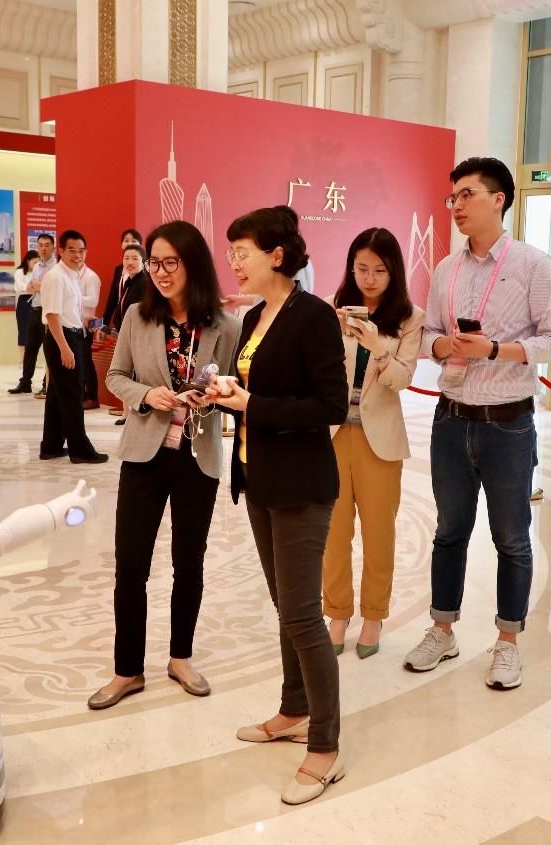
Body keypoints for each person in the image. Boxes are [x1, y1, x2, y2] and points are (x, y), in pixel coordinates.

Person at [405, 157, 551, 690]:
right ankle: (442, 630)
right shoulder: (445, 270)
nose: (456, 206)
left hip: (508, 424)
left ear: (499, 199)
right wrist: (443, 345)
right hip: (451, 418)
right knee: (449, 532)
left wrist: (495, 348)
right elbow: (428, 333)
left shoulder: (532, 265)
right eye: (452, 197)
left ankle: (507, 642)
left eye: (466, 195)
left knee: (511, 537)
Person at [216, 206, 348, 806]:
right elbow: (258, 392)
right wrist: (228, 394)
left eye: (241, 252)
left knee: (301, 614)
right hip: (260, 478)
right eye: (231, 253)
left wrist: (252, 405)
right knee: (285, 608)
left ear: (276, 255)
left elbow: (330, 406)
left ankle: (326, 744)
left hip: (301, 484)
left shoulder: (312, 315)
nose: (234, 262)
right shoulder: (255, 316)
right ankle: (294, 710)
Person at [89, 221, 239, 711]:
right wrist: (145, 394)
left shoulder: (225, 326)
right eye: (154, 262)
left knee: (188, 564)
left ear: (193, 264)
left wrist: (214, 396)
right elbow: (115, 375)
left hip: (197, 456)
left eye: (170, 262)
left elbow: (234, 387)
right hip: (144, 454)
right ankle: (127, 670)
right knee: (130, 566)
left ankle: (180, 658)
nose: (160, 271)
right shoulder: (138, 315)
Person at [322, 228, 424, 659]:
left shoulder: (410, 317)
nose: (369, 278)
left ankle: (374, 615)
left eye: (379, 270)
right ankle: (337, 613)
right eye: (361, 269)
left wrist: (377, 345)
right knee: (333, 532)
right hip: (332, 434)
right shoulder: (332, 309)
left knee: (379, 533)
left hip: (379, 438)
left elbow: (402, 379)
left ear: (393, 272)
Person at [38, 230, 107, 464]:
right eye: (72, 250)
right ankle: (80, 450)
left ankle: (51, 446)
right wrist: (65, 348)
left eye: (81, 250)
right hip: (63, 338)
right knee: (72, 395)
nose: (78, 255)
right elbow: (52, 315)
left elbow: (71, 310)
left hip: (72, 335)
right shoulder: (56, 277)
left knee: (57, 395)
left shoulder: (72, 276)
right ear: (61, 251)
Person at [101, 243, 149, 423]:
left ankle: (133, 413)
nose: (130, 262)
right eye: (126, 258)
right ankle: (127, 413)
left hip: (138, 336)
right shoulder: (129, 281)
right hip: (125, 333)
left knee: (133, 374)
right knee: (125, 372)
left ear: (143, 262)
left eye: (135, 258)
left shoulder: (144, 282)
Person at [9, 233, 57, 394]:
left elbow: (54, 289)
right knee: (30, 349)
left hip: (48, 312)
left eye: (47, 245)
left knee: (49, 350)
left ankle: (46, 384)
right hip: (34, 310)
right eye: (40, 245)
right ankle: (25, 382)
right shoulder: (36, 267)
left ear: (53, 247)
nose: (43, 249)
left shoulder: (57, 267)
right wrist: (35, 286)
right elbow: (30, 287)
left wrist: (40, 286)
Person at [77, 254, 104, 411]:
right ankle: (81, 395)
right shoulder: (70, 275)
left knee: (85, 362)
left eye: (80, 252)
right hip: (71, 324)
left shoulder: (91, 276)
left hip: (85, 326)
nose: (76, 256)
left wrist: (72, 296)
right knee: (77, 363)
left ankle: (93, 397)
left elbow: (93, 300)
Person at [14, 249, 40, 352]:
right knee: (24, 331)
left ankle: (31, 357)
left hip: (37, 300)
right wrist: (30, 287)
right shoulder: (19, 272)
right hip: (25, 302)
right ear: (28, 261)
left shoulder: (39, 273)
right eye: (34, 262)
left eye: (38, 263)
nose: (36, 265)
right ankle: (23, 358)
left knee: (36, 332)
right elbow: (20, 286)